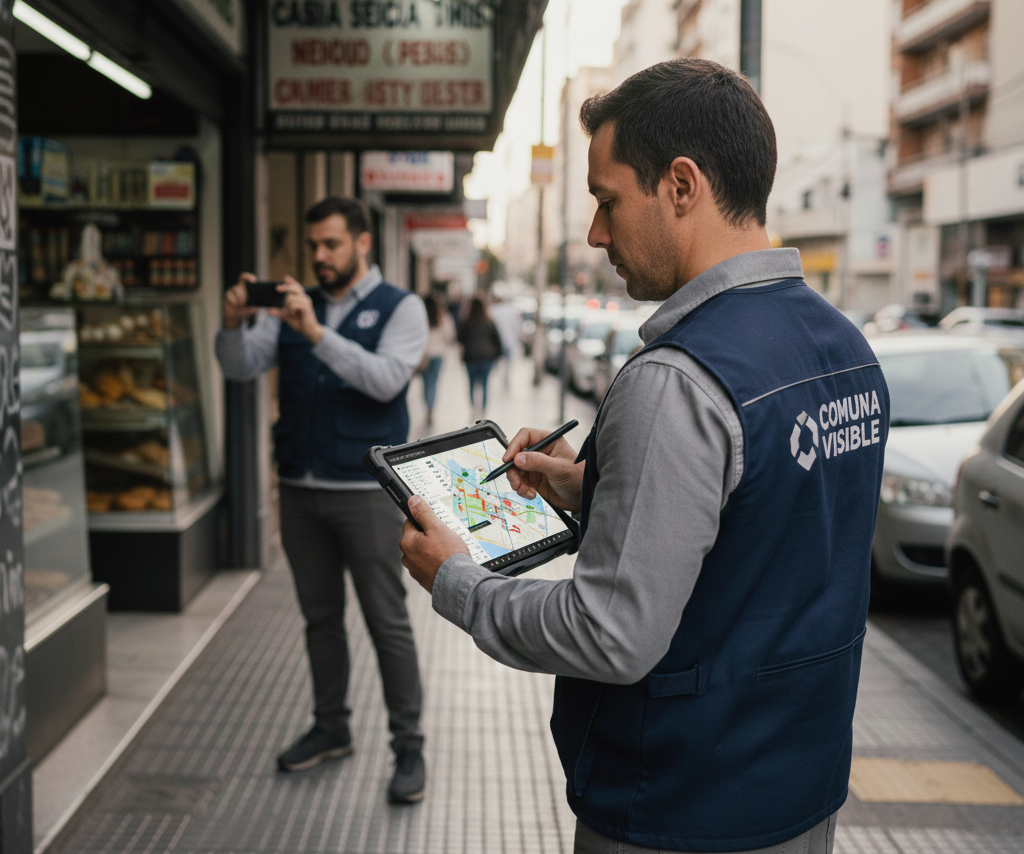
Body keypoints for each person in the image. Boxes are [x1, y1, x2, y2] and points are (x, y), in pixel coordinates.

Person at [397, 59, 888, 852]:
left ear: (682, 185)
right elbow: (759, 525)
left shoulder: (677, 382)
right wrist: (585, 484)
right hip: (801, 788)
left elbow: (609, 634)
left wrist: (458, 581)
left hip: (679, 805)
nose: (596, 233)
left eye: (606, 200)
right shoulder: (846, 351)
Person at [215, 196, 428, 804]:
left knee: (387, 623)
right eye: (313, 246)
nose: (319, 256)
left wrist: (316, 333)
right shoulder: (288, 304)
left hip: (366, 493)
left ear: (363, 243)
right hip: (300, 489)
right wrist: (232, 323)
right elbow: (238, 367)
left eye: (331, 244)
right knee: (319, 619)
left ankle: (408, 748)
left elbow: (387, 379)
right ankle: (331, 727)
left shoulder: (401, 306)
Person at [457, 293, 503, 416]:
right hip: (487, 358)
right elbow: (497, 340)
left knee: (472, 384)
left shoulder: (466, 322)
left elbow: (460, 339)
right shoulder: (489, 321)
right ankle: (483, 410)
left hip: (471, 357)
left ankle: (474, 408)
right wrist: (498, 355)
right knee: (484, 385)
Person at [420, 292, 455, 425]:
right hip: (438, 354)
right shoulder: (443, 318)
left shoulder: (421, 318)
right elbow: (450, 336)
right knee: (433, 383)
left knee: (426, 383)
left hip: (425, 355)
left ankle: (427, 407)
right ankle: (431, 408)